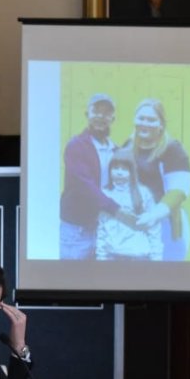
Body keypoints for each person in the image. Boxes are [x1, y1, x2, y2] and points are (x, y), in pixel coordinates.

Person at [60, 93, 123, 260]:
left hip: (104, 230)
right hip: (77, 232)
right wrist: (116, 209)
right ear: (87, 114)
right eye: (96, 111)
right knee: (71, 282)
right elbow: (85, 185)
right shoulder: (76, 146)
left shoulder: (116, 151)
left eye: (106, 112)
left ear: (113, 118)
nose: (101, 116)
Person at [127, 98, 190, 261]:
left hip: (165, 224)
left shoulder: (173, 149)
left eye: (151, 120)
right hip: (135, 224)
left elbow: (178, 191)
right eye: (141, 118)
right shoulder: (127, 146)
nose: (145, 123)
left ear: (161, 124)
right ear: (135, 120)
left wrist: (154, 215)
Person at [96, 148, 163, 261]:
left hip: (139, 256)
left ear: (132, 172)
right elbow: (101, 228)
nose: (119, 172)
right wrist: (100, 256)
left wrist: (156, 257)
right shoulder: (105, 194)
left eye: (124, 169)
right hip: (112, 255)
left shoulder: (143, 193)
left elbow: (154, 228)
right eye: (115, 168)